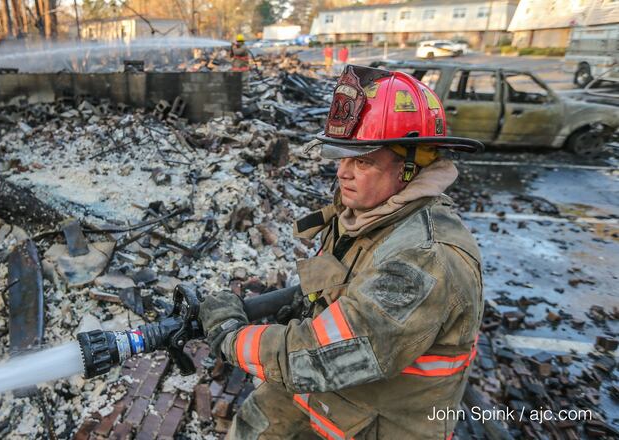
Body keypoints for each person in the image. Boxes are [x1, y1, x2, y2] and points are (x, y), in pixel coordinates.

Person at [200, 65, 485, 439]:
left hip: (374, 425)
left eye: (363, 160)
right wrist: (297, 307)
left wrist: (230, 336)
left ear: (413, 165)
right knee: (253, 424)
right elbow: (340, 286)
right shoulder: (369, 214)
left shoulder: (427, 259)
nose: (342, 173)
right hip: (323, 401)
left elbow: (321, 356)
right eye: (343, 157)